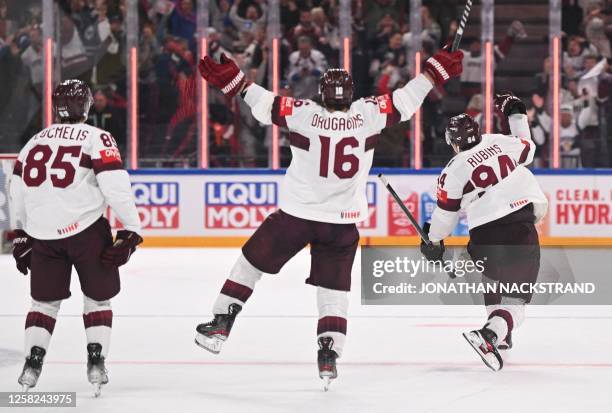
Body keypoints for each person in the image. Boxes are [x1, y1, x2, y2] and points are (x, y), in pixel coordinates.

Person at [196, 48, 463, 389]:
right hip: (342, 224)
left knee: (250, 264)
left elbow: (263, 103)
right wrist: (433, 73)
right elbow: (406, 101)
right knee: (333, 289)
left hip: (296, 216)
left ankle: (222, 320)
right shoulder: (369, 113)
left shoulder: (304, 113)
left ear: (320, 94)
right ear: (351, 95)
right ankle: (329, 353)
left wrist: (237, 83)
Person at [9, 79, 143, 395]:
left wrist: (20, 233)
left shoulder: (34, 141)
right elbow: (115, 186)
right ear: (85, 106)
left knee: (43, 303)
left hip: (43, 236)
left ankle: (33, 361)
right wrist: (132, 227)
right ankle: (96, 360)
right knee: (98, 298)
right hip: (86, 233)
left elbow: (16, 189)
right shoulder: (97, 137)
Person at [421, 93, 548, 372]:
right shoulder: (498, 141)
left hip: (484, 234)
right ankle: (490, 335)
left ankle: (501, 336)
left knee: (492, 279)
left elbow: (445, 216)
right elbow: (528, 148)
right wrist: (515, 113)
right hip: (518, 226)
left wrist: (432, 240)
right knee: (516, 299)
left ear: (453, 143)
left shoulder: (452, 170)